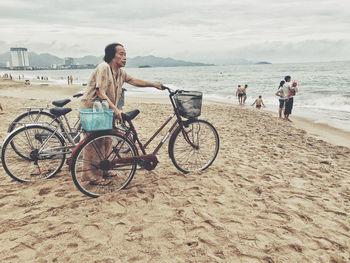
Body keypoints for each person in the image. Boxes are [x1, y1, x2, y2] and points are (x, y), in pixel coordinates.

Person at [80, 43, 163, 185]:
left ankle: (104, 170)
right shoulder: (104, 68)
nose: (124, 57)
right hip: (93, 109)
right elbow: (100, 92)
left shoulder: (120, 73)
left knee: (107, 140)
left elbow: (134, 81)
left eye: (125, 54)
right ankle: (93, 176)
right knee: (95, 142)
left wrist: (154, 85)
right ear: (112, 55)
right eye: (121, 54)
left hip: (106, 109)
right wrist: (116, 110)